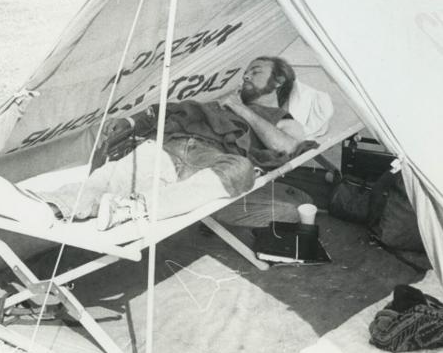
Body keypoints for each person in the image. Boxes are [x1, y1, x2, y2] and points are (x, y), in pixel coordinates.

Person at [38, 56, 315, 229]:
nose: (245, 76)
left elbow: (287, 148)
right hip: (169, 146)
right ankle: (51, 206)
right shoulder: (216, 105)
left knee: (241, 170)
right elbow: (169, 110)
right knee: (108, 178)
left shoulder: (281, 118)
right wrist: (130, 122)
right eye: (245, 72)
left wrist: (241, 109)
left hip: (212, 160)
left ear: (278, 81)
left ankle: (133, 208)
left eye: (255, 71)